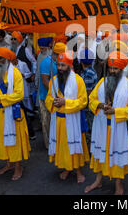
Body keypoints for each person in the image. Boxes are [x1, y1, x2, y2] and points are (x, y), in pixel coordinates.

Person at [85, 51, 128, 195]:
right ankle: (98, 180)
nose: (112, 71)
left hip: (119, 128)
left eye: (116, 69)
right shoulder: (102, 83)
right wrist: (100, 105)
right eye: (111, 68)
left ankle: (118, 185)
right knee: (100, 154)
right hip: (102, 127)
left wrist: (116, 111)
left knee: (117, 156)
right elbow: (91, 99)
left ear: (122, 70)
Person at [0, 47, 30, 181]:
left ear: (8, 59)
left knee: (14, 142)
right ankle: (8, 164)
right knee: (3, 141)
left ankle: (18, 167)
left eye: (1, 58)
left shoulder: (15, 73)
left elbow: (19, 94)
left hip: (11, 114)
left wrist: (1, 99)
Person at [45, 51, 90, 183]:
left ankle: (78, 171)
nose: (60, 68)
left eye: (63, 65)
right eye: (58, 65)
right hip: (58, 120)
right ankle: (67, 168)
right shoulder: (53, 80)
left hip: (73, 120)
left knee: (74, 146)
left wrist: (66, 102)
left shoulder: (78, 80)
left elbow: (83, 101)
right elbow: (48, 98)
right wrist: (52, 102)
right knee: (62, 146)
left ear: (69, 66)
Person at [39, 42, 65, 149]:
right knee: (47, 123)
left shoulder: (61, 63)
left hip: (59, 98)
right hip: (46, 97)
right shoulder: (46, 63)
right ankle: (49, 146)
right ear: (57, 54)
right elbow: (45, 82)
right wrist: (54, 95)